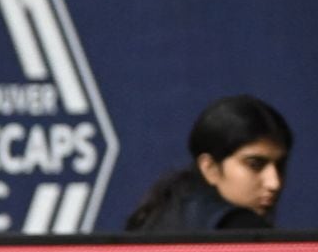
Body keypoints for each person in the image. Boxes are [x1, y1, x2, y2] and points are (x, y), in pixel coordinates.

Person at [124, 94, 292, 232]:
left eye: (280, 165)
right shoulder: (242, 229)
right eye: (255, 164)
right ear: (210, 168)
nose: (274, 183)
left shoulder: (158, 214)